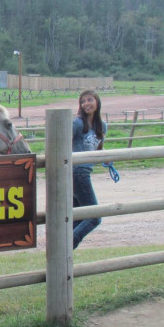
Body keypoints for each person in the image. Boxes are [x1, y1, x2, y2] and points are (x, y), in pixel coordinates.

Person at [72, 89, 107, 250]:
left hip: (85, 172)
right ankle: (69, 243)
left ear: (97, 102)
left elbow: (98, 148)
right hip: (77, 173)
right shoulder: (77, 124)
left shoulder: (102, 126)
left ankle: (65, 252)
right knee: (94, 216)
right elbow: (62, 143)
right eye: (83, 101)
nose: (86, 104)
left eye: (90, 100)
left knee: (78, 219)